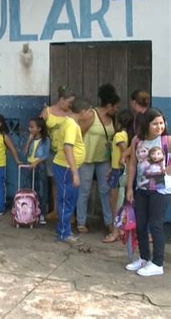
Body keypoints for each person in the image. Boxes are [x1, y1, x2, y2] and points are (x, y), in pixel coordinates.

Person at [125, 108, 171, 276]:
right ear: (146, 124)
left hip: (161, 190)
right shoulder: (137, 141)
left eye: (161, 122)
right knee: (141, 225)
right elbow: (132, 165)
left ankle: (157, 263)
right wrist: (130, 187)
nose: (159, 126)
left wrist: (168, 170)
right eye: (155, 123)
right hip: (141, 189)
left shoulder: (166, 140)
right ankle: (144, 258)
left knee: (156, 224)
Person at [76, 84, 120, 234]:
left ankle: (109, 222)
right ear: (109, 105)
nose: (117, 109)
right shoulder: (91, 115)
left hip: (104, 159)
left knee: (106, 189)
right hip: (87, 158)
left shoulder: (112, 118)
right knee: (84, 190)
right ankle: (81, 221)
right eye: (115, 106)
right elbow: (78, 133)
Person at [53, 98, 91, 245]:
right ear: (82, 112)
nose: (90, 114)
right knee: (66, 199)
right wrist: (75, 173)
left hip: (68, 167)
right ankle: (63, 233)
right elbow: (68, 148)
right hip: (66, 168)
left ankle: (65, 230)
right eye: (89, 111)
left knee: (69, 199)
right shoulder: (71, 125)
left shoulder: (71, 123)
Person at [40, 85, 75, 220]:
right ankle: (56, 210)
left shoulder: (71, 114)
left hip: (66, 153)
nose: (70, 105)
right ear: (61, 99)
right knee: (54, 181)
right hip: (51, 152)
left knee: (67, 182)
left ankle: (68, 213)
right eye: (69, 102)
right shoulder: (47, 111)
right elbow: (40, 127)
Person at [103, 109, 134, 243]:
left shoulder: (119, 135)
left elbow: (124, 154)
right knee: (119, 203)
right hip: (117, 170)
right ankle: (121, 230)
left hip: (120, 172)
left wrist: (124, 169)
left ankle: (115, 232)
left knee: (115, 204)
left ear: (119, 122)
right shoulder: (127, 135)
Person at [22, 117, 51, 224]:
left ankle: (42, 213)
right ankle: (30, 212)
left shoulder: (45, 140)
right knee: (30, 188)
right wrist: (29, 140)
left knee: (41, 190)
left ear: (39, 128)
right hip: (29, 166)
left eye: (32, 127)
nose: (30, 129)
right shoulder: (31, 139)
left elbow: (46, 155)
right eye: (29, 127)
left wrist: (36, 162)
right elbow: (25, 152)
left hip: (40, 166)